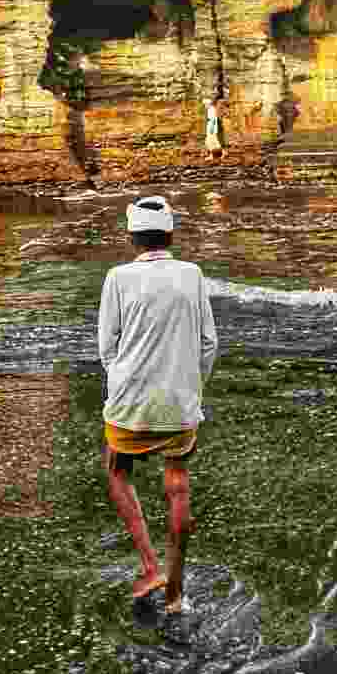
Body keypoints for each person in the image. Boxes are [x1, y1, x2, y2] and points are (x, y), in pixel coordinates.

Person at [98, 195, 217, 614]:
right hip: (181, 404)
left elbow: (106, 347)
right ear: (170, 233)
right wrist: (190, 387)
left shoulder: (117, 277)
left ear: (132, 237)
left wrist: (122, 387)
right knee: (178, 484)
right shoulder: (193, 275)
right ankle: (176, 592)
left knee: (115, 468)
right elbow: (208, 344)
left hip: (130, 403)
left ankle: (151, 566)